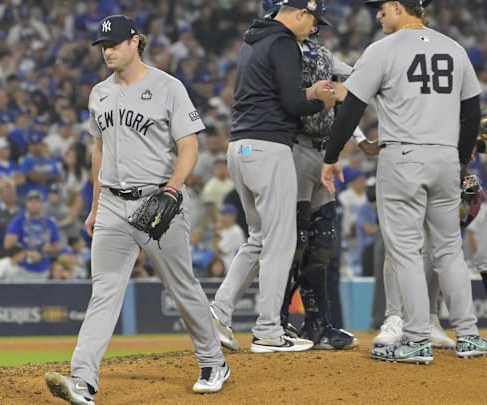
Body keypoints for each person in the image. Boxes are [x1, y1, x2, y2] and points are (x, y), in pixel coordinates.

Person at [45, 15, 229, 405]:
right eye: (102, 45)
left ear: (136, 42)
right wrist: (95, 207)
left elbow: (190, 144)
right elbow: (99, 151)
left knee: (182, 287)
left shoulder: (167, 87)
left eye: (113, 43)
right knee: (104, 292)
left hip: (158, 201)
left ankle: (214, 361)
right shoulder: (99, 93)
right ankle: (83, 380)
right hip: (112, 203)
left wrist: (173, 189)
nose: (107, 50)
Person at [320, 0, 487, 363]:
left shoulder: (383, 49)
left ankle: (415, 339)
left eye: (381, 9)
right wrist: (459, 160)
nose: (377, 15)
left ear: (399, 6)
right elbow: (472, 111)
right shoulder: (454, 47)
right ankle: (470, 336)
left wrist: (332, 157)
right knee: (448, 250)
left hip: (404, 157)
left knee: (406, 252)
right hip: (445, 157)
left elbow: (351, 106)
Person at [209, 0, 335, 355]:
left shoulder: (255, 40)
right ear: (299, 12)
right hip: (269, 147)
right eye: (313, 20)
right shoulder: (283, 42)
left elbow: (277, 96)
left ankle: (218, 312)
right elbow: (294, 107)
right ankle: (267, 330)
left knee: (259, 238)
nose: (314, 28)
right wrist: (320, 103)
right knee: (281, 240)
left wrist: (305, 95)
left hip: (240, 148)